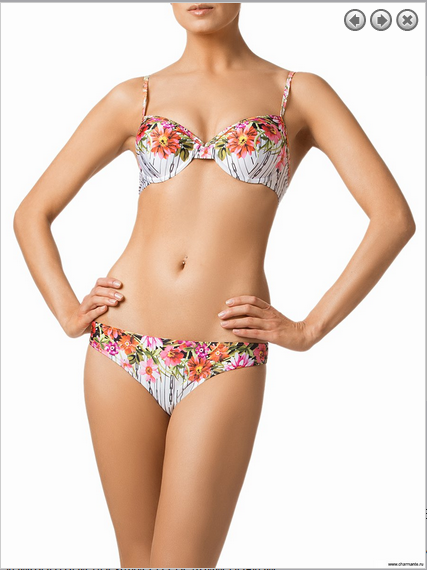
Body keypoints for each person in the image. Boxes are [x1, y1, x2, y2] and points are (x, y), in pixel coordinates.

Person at [13, 2, 416, 568]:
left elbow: (392, 218)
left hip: (224, 355)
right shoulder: (136, 97)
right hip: (120, 348)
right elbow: (31, 213)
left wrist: (309, 329)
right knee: (135, 559)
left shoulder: (297, 93)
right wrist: (66, 310)